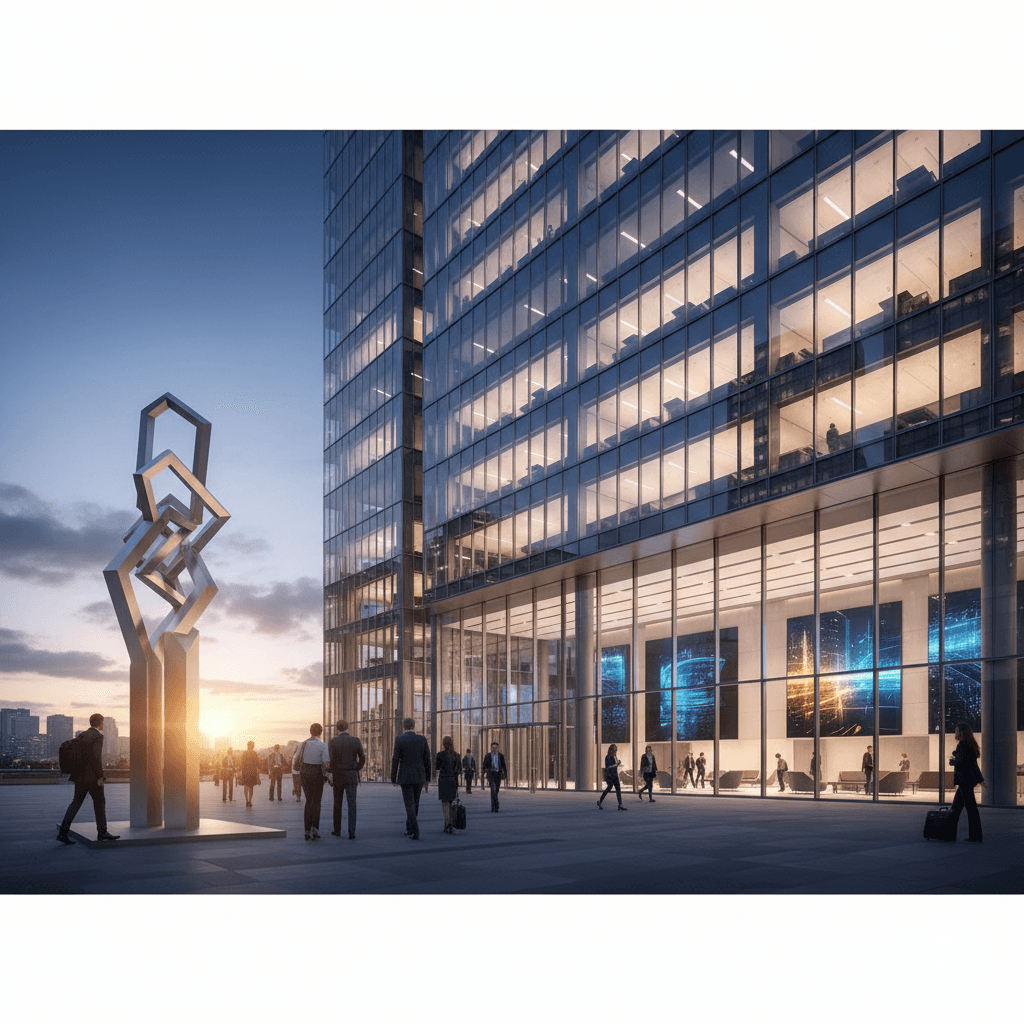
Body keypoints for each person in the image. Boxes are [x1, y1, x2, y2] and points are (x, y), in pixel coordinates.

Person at [57, 713, 119, 844]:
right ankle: (102, 832)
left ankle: (63, 833)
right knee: (100, 803)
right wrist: (100, 777)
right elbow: (96, 758)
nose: (103, 725)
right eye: (103, 722)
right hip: (92, 778)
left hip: (80, 777)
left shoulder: (82, 735)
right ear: (100, 722)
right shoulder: (98, 736)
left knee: (75, 803)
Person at [390, 717, 431, 840]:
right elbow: (427, 760)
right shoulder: (422, 739)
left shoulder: (400, 739)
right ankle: (409, 828)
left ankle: (415, 831)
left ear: (404, 726)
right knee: (415, 803)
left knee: (409, 804)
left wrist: (393, 777)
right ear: (414, 726)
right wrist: (427, 778)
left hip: (405, 777)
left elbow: (395, 759)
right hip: (419, 777)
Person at [948, 722, 985, 842]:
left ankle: (949, 834)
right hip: (968, 781)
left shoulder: (963, 745)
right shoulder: (970, 745)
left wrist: (953, 762)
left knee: (958, 809)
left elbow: (963, 763)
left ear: (961, 732)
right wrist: (980, 780)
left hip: (964, 781)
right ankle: (974, 836)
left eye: (957, 730)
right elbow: (973, 765)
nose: (956, 732)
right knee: (965, 809)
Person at [329, 719, 365, 839]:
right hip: (351, 776)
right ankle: (352, 832)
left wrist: (332, 772)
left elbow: (331, 761)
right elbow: (362, 758)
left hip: (338, 776)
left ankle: (337, 830)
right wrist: (356, 768)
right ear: (347, 727)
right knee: (352, 805)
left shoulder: (333, 741)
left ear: (337, 728)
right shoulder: (355, 740)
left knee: (337, 804)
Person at [296, 723, 330, 840]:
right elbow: (326, 761)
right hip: (317, 773)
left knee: (308, 800)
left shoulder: (303, 744)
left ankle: (307, 830)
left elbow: (296, 758)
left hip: (305, 773)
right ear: (320, 733)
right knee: (316, 802)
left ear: (310, 732)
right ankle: (315, 828)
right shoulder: (323, 745)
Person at [435, 735, 461, 834]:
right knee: (451, 802)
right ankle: (450, 823)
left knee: (444, 803)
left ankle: (447, 823)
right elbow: (458, 770)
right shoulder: (457, 755)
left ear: (443, 744)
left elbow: (437, 767)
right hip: (452, 781)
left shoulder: (440, 755)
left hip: (443, 780)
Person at [597, 743, 627, 811]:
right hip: (610, 775)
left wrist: (618, 764)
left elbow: (613, 765)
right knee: (609, 788)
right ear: (611, 750)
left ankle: (620, 804)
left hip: (614, 775)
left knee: (617, 789)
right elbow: (608, 767)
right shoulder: (608, 757)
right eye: (614, 750)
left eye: (616, 750)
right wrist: (617, 764)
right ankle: (600, 801)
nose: (615, 751)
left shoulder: (614, 756)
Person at [482, 741, 507, 812]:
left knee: (496, 790)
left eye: (496, 748)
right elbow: (484, 765)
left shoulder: (501, 756)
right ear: (491, 748)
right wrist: (484, 772)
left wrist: (505, 774)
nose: (494, 749)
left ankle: (494, 805)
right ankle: (495, 806)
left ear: (498, 748)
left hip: (498, 774)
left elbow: (504, 765)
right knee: (493, 789)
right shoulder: (487, 756)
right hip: (491, 774)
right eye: (493, 748)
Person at [239, 740, 260, 808]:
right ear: (250, 745)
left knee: (249, 787)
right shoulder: (252, 753)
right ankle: (248, 801)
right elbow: (257, 763)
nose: (253, 746)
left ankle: (249, 801)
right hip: (249, 771)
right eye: (252, 744)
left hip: (249, 771)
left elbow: (257, 764)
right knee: (248, 787)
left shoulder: (249, 753)